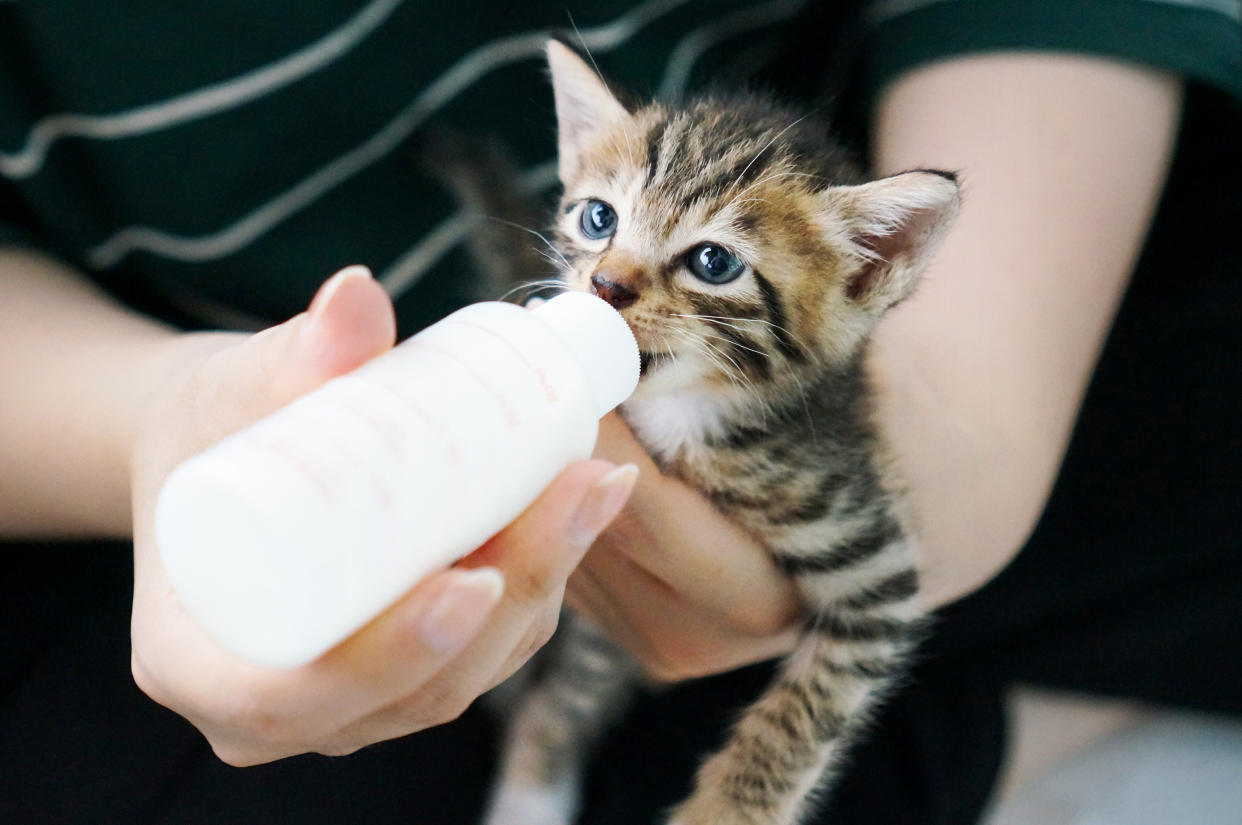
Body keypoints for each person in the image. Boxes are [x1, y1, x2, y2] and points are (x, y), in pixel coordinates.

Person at [1, 2, 1238, 823]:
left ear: (869, 276)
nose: (611, 281)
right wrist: (153, 407)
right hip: (133, 398)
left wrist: (972, 425)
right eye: (596, 226)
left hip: (989, 277)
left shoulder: (835, 309)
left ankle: (1024, 712)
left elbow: (875, 596)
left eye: (703, 264)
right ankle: (1019, 715)